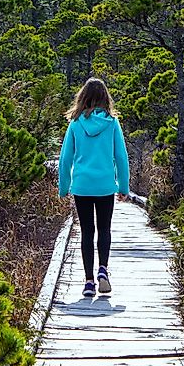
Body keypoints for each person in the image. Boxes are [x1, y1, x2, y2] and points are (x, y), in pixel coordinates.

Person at [58, 77, 130, 297]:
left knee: (87, 232)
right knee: (104, 229)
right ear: (105, 98)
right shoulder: (112, 123)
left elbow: (65, 159)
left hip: (82, 186)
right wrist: (124, 187)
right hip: (105, 186)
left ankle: (89, 282)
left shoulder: (76, 123)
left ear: (83, 98)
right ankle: (103, 270)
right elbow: (121, 156)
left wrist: (64, 187)